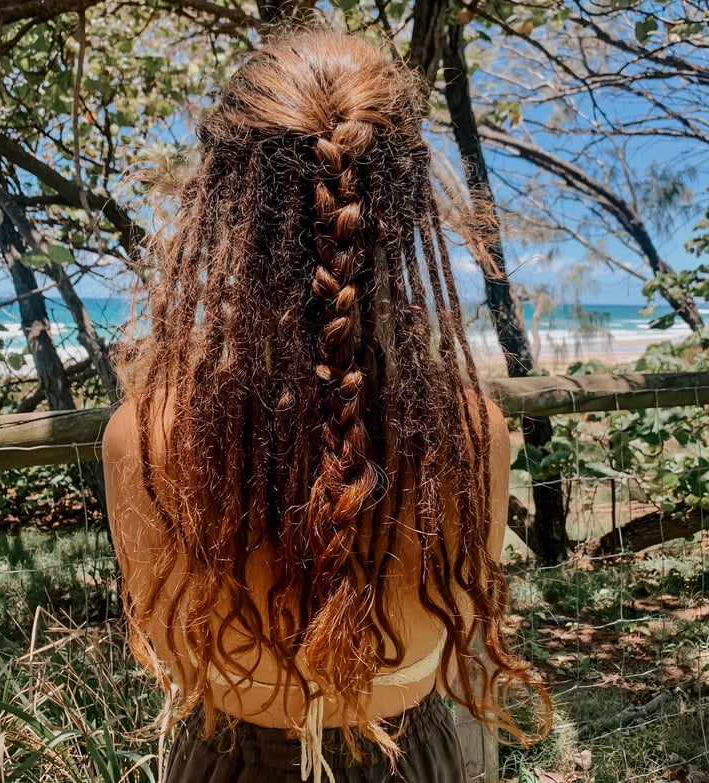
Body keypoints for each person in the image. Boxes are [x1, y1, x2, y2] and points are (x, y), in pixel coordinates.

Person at [103, 29, 544, 783]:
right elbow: (455, 642)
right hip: (409, 757)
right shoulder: (473, 432)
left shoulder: (145, 432)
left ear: (225, 210)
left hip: (231, 761)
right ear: (406, 215)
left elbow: (169, 652)